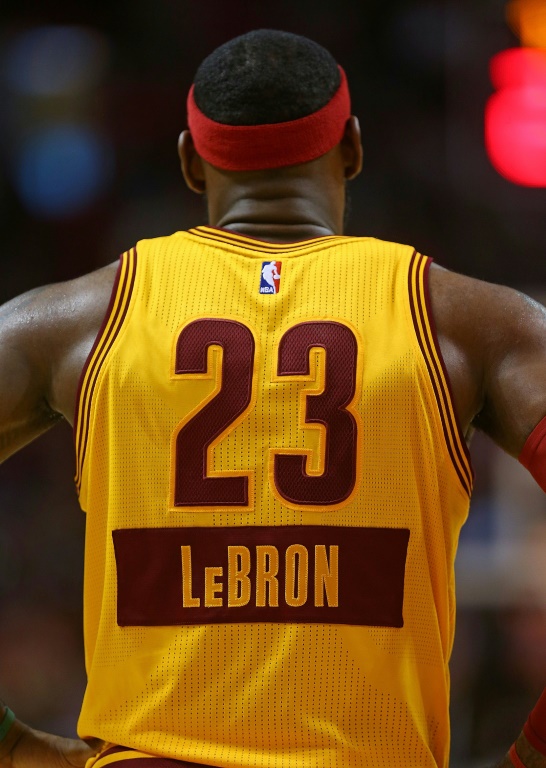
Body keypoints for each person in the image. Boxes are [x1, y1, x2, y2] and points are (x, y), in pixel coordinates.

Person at [0, 28, 545, 768]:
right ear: (352, 147)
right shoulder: (467, 320)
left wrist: (14, 744)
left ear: (190, 163)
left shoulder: (71, 322)